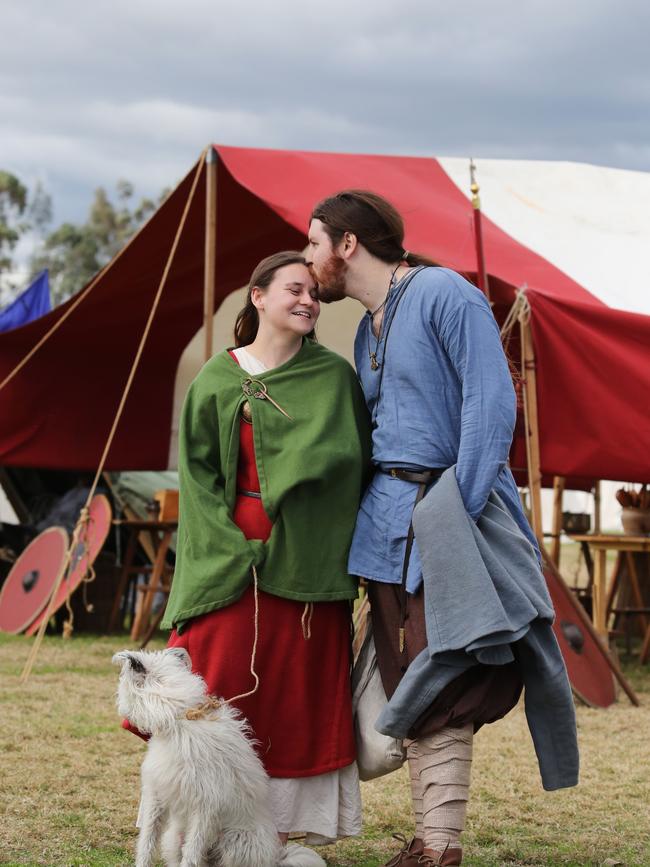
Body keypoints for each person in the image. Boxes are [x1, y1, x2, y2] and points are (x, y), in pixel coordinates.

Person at [306, 191, 578, 867]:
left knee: (449, 676)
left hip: (448, 518)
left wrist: (456, 510)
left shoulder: (445, 295)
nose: (308, 258)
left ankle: (440, 844)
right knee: (407, 678)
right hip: (385, 528)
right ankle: (431, 839)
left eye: (314, 243)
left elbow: (491, 404)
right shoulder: (370, 326)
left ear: (347, 244)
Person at [158, 251, 371, 867]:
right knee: (219, 685)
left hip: (304, 555)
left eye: (314, 294)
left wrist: (298, 531)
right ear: (258, 297)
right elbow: (196, 477)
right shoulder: (216, 379)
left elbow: (353, 467)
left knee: (293, 690)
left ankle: (278, 836)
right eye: (294, 290)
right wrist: (230, 549)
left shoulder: (333, 378)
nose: (308, 301)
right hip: (226, 552)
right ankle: (203, 828)